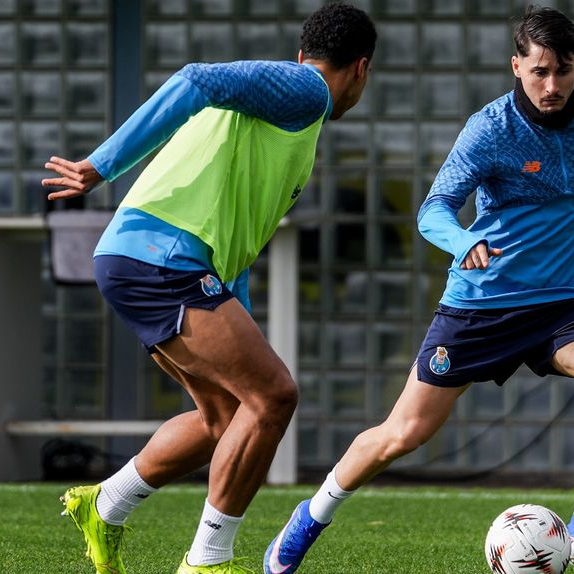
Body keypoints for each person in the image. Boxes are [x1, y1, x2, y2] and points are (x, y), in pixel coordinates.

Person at [261, 5, 574, 573]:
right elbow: (434, 210)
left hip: (564, 306)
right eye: (539, 72)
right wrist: (459, 241)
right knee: (403, 433)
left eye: (564, 71)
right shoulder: (490, 128)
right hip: (482, 305)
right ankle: (310, 516)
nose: (552, 86)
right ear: (516, 67)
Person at [41, 4, 376, 573]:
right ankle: (207, 562)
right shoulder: (308, 90)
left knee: (226, 417)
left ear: (302, 50)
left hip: (143, 257)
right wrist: (100, 167)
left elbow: (232, 243)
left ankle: (105, 503)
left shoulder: (277, 112)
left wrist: (242, 328)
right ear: (361, 70)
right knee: (274, 397)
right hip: (162, 256)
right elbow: (194, 77)